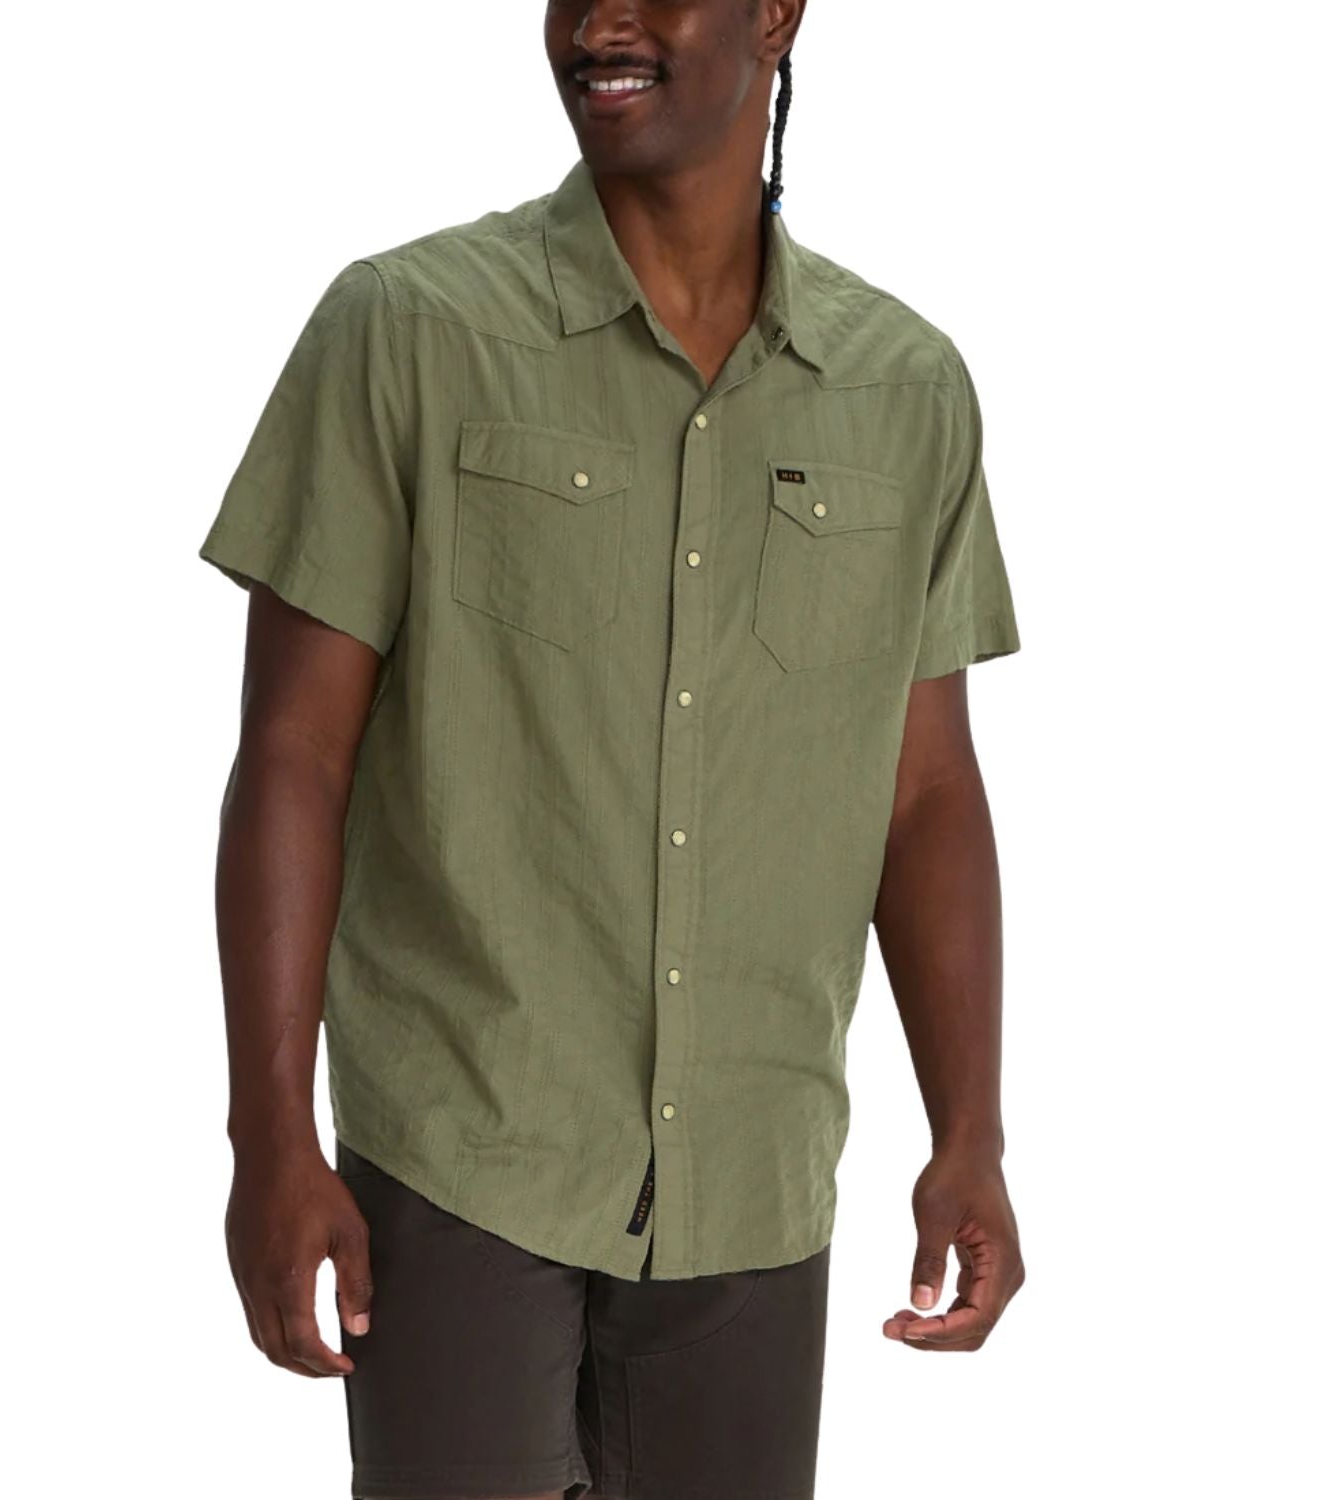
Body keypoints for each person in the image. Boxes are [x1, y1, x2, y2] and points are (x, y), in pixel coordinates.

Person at [198, 3, 1025, 1496]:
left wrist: (970, 1134)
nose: (599, 21)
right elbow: (294, 755)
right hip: (461, 1159)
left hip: (756, 1184)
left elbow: (924, 792)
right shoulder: (408, 329)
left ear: (777, 14)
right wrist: (271, 1139)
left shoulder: (907, 392)